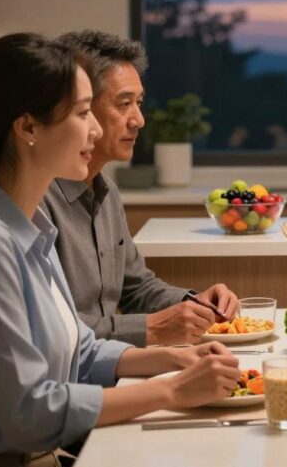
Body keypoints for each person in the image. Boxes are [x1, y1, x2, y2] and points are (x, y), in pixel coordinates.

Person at [0, 34, 242, 465]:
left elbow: (82, 352)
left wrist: (176, 357)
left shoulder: (30, 228)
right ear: (28, 129)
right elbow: (30, 412)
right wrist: (171, 388)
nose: (95, 129)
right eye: (82, 112)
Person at [43, 30, 239, 346]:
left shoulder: (107, 193)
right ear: (79, 108)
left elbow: (136, 288)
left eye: (139, 103)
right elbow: (49, 329)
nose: (139, 120)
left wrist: (196, 303)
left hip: (106, 369)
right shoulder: (36, 202)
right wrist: (151, 329)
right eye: (124, 104)